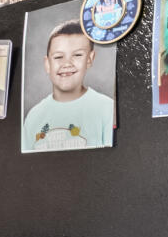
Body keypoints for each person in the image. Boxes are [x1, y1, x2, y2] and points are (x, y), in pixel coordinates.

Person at [23, 21, 115, 151]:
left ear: (89, 59)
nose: (67, 64)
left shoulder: (107, 109)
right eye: (58, 57)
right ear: (47, 64)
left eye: (77, 55)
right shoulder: (34, 116)